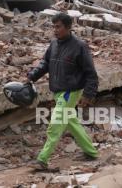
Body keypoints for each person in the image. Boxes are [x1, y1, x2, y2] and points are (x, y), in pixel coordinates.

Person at [27, 13, 99, 170]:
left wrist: (88, 94)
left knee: (56, 124)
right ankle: (91, 152)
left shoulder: (79, 46)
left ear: (68, 27)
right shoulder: (54, 44)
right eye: (53, 26)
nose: (55, 30)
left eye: (58, 26)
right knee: (71, 123)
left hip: (70, 92)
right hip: (58, 91)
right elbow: (45, 63)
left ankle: (42, 159)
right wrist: (32, 77)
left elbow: (91, 73)